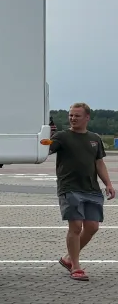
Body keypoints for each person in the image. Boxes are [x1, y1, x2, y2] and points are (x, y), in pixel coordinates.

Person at [51, 102, 115, 280]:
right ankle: (76, 267)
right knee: (76, 226)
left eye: (77, 115)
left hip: (91, 189)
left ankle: (68, 259)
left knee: (92, 227)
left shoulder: (94, 138)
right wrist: (45, 139)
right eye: (71, 115)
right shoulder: (62, 137)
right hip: (70, 187)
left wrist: (108, 183)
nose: (72, 118)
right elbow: (46, 149)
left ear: (87, 117)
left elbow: (99, 163)